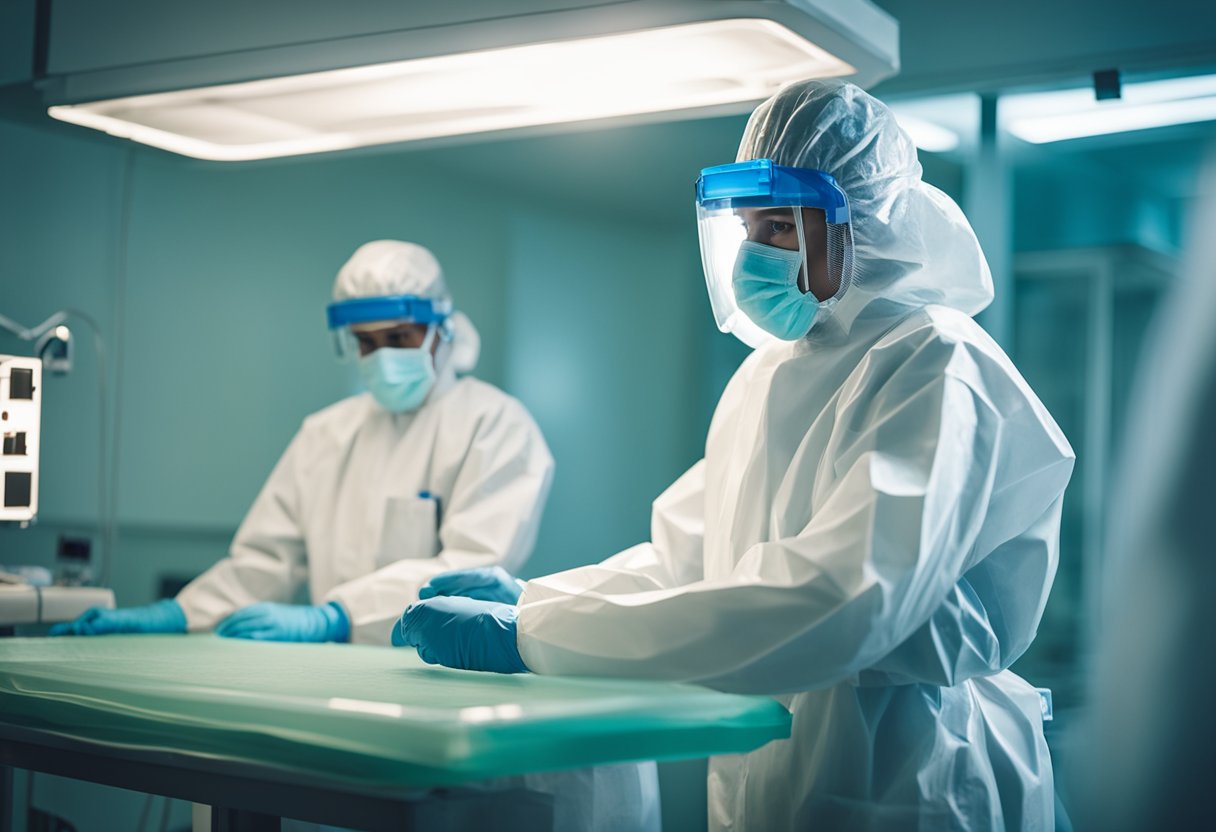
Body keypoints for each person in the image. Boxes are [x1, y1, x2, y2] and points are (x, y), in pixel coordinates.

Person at [394, 81, 1076, 831]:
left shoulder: (936, 364)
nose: (755, 254)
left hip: (913, 771)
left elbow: (841, 602)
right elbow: (695, 558)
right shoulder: (771, 372)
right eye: (749, 228)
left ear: (860, 220)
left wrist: (533, 639)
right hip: (778, 759)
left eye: (780, 225)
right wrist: (535, 599)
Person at [51, 240, 555, 644]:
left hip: (440, 670)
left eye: (398, 339)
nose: (381, 357)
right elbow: (266, 561)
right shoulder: (328, 432)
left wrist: (338, 616)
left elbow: (467, 572)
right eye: (366, 343)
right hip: (332, 675)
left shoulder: (496, 424)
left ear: (442, 330)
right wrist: (177, 612)